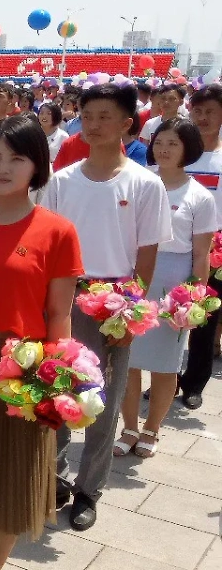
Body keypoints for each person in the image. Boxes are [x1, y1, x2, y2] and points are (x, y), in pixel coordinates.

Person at [0, 117, 83, 570]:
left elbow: (59, 312)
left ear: (37, 166)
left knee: (12, 474)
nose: (2, 168)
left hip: (22, 367)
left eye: (17, 158)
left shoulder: (57, 231)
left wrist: (58, 380)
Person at [40, 83, 171, 531]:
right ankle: (52, 480)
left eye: (104, 117)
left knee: (104, 399)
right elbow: (49, 244)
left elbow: (147, 255)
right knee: (57, 391)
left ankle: (88, 489)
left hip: (115, 300)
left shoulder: (145, 184)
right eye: (88, 115)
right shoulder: (61, 181)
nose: (93, 125)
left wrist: (129, 309)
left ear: (126, 125)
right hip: (65, 293)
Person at [116, 119, 216, 458]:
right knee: (127, 359)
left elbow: (201, 254)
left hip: (173, 285)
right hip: (135, 279)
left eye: (174, 143)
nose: (164, 149)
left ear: (188, 148)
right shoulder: (138, 184)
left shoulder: (199, 196)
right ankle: (129, 426)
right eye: (160, 142)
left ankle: (152, 429)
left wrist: (194, 298)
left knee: (165, 364)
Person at [181, 83, 222, 408]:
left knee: (203, 321)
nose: (203, 117)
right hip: (178, 247)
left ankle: (194, 383)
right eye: (198, 111)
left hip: (214, 252)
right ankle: (167, 376)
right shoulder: (180, 153)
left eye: (211, 111)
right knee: (171, 317)